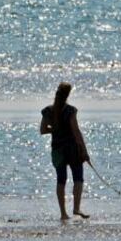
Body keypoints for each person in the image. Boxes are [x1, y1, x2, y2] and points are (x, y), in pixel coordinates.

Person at [39, 82, 91, 220]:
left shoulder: (48, 111)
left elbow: (43, 130)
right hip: (72, 148)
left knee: (61, 180)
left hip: (57, 149)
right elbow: (76, 132)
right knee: (78, 178)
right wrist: (84, 152)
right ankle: (76, 208)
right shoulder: (70, 111)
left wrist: (55, 130)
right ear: (68, 95)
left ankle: (63, 213)